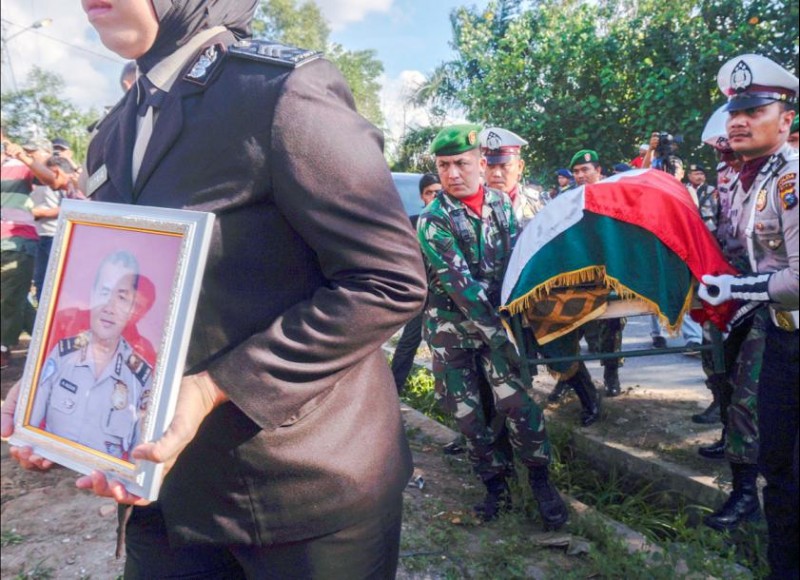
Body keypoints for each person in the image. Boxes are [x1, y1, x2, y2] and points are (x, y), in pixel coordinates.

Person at [2, 1, 427, 577]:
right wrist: (52, 395)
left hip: (301, 492)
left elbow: (387, 280)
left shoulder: (281, 93)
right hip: (165, 489)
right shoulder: (113, 130)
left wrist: (213, 388)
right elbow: (126, 285)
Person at [418, 124, 568, 528]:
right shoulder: (433, 220)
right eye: (443, 165)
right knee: (469, 417)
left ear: (481, 164)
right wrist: (505, 339)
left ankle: (541, 483)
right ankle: (495, 486)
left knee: (518, 405)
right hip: (454, 334)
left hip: (497, 329)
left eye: (461, 164)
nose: (452, 174)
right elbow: (462, 288)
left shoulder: (502, 205)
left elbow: (518, 263)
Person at [699, 54, 798, 579]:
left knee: (780, 455)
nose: (737, 121)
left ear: (785, 118)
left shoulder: (790, 178)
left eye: (754, 109)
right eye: (733, 109)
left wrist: (735, 287)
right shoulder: (748, 179)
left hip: (784, 323)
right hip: (768, 324)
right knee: (777, 468)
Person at [30, 250, 151, 459]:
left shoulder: (141, 377)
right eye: (104, 293)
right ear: (92, 295)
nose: (109, 307)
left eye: (121, 297)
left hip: (106, 484)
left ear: (131, 307)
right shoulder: (62, 354)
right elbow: (29, 424)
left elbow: (137, 457)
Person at [570, 149, 625, 397]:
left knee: (612, 325)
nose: (581, 175)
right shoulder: (567, 199)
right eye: (577, 171)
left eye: (586, 170)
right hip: (578, 274)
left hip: (610, 271)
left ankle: (611, 374)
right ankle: (566, 379)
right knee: (571, 327)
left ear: (598, 171)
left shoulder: (613, 196)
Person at [1, 127, 57, 369]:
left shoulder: (18, 162)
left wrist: (24, 156)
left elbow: (51, 180)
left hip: (18, 241)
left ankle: (3, 348)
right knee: (18, 299)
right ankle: (49, 344)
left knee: (8, 298)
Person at [391, 172, 441, 393]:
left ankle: (449, 392)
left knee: (446, 345)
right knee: (409, 342)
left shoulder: (454, 220)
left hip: (448, 294)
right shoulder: (412, 223)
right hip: (421, 292)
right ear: (422, 197)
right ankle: (393, 389)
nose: (434, 197)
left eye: (438, 192)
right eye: (429, 193)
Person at [32, 156, 81, 303]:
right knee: (43, 282)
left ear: (57, 172)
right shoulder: (71, 190)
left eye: (46, 176)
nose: (43, 181)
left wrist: (40, 213)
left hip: (63, 241)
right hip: (56, 238)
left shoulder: (79, 187)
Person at [479, 126, 546, 229]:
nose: (497, 173)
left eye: (504, 166)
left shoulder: (537, 203)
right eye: (491, 166)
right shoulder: (470, 205)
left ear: (520, 166)